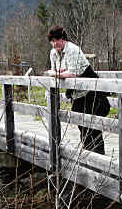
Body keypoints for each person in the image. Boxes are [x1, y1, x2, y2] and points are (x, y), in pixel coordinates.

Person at [47, 25, 110, 154]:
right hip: (76, 94)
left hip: (92, 92)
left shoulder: (72, 50)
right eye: (52, 41)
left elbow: (72, 74)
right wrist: (58, 73)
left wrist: (56, 73)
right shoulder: (53, 53)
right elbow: (56, 70)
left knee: (93, 126)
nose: (55, 44)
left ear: (63, 39)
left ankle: (99, 157)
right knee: (81, 125)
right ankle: (88, 155)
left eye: (57, 40)